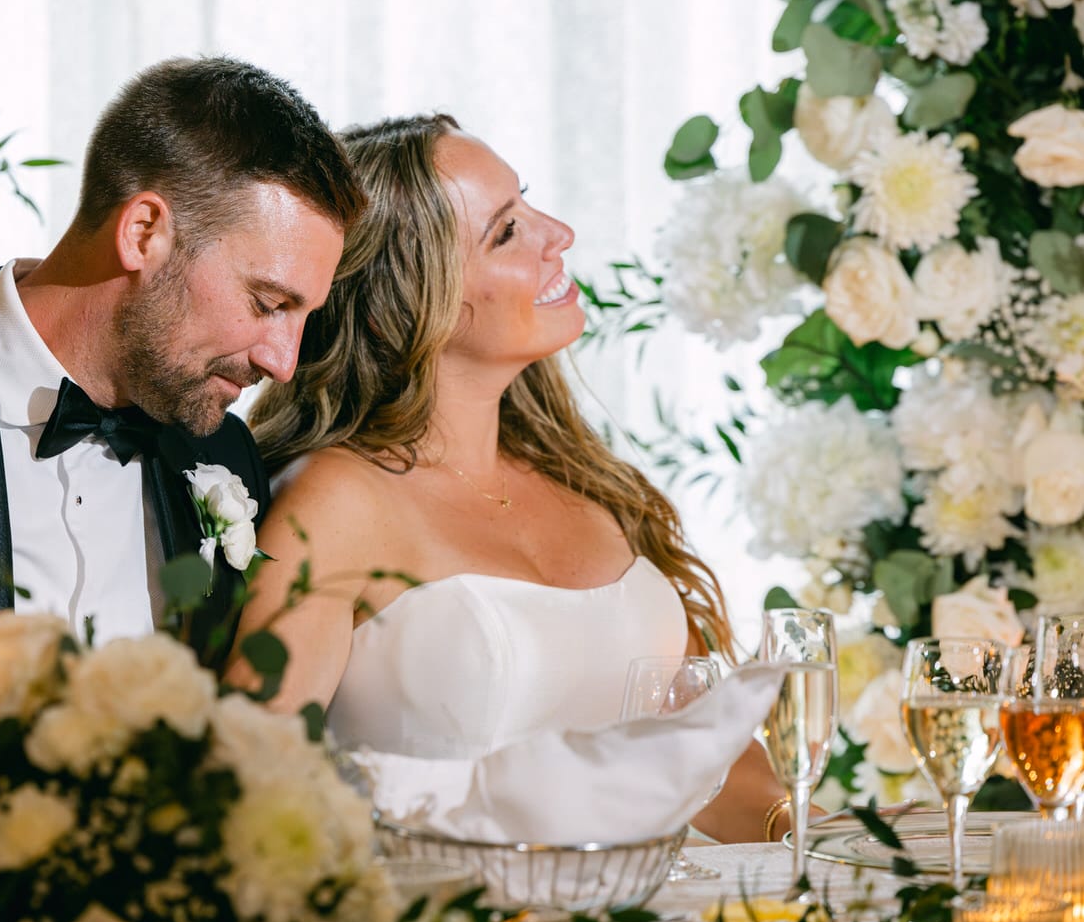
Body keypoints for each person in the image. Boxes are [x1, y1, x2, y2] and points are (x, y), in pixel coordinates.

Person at [230, 114, 797, 843]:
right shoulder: (334, 505)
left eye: (527, 205)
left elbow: (708, 765)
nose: (556, 233)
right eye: (506, 232)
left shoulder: (584, 478)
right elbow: (253, 795)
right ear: (409, 300)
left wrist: (830, 846)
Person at [0, 57, 365, 704]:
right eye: (269, 303)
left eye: (304, 316)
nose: (283, 362)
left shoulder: (223, 454)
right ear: (143, 233)